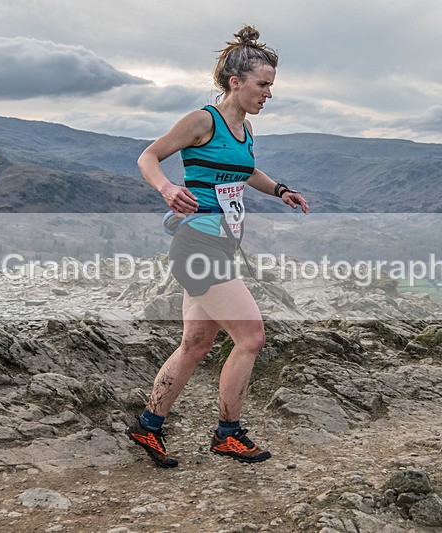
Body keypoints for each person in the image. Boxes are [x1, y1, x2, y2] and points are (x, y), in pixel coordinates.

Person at [126, 25, 309, 468]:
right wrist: (167, 188)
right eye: (263, 84)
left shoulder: (244, 130)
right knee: (251, 337)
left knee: (195, 344)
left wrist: (280, 190)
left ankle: (148, 425)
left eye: (271, 86)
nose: (269, 94)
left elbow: (245, 172)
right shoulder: (203, 121)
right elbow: (148, 156)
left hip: (220, 246)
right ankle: (228, 434)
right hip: (198, 246)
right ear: (235, 82)